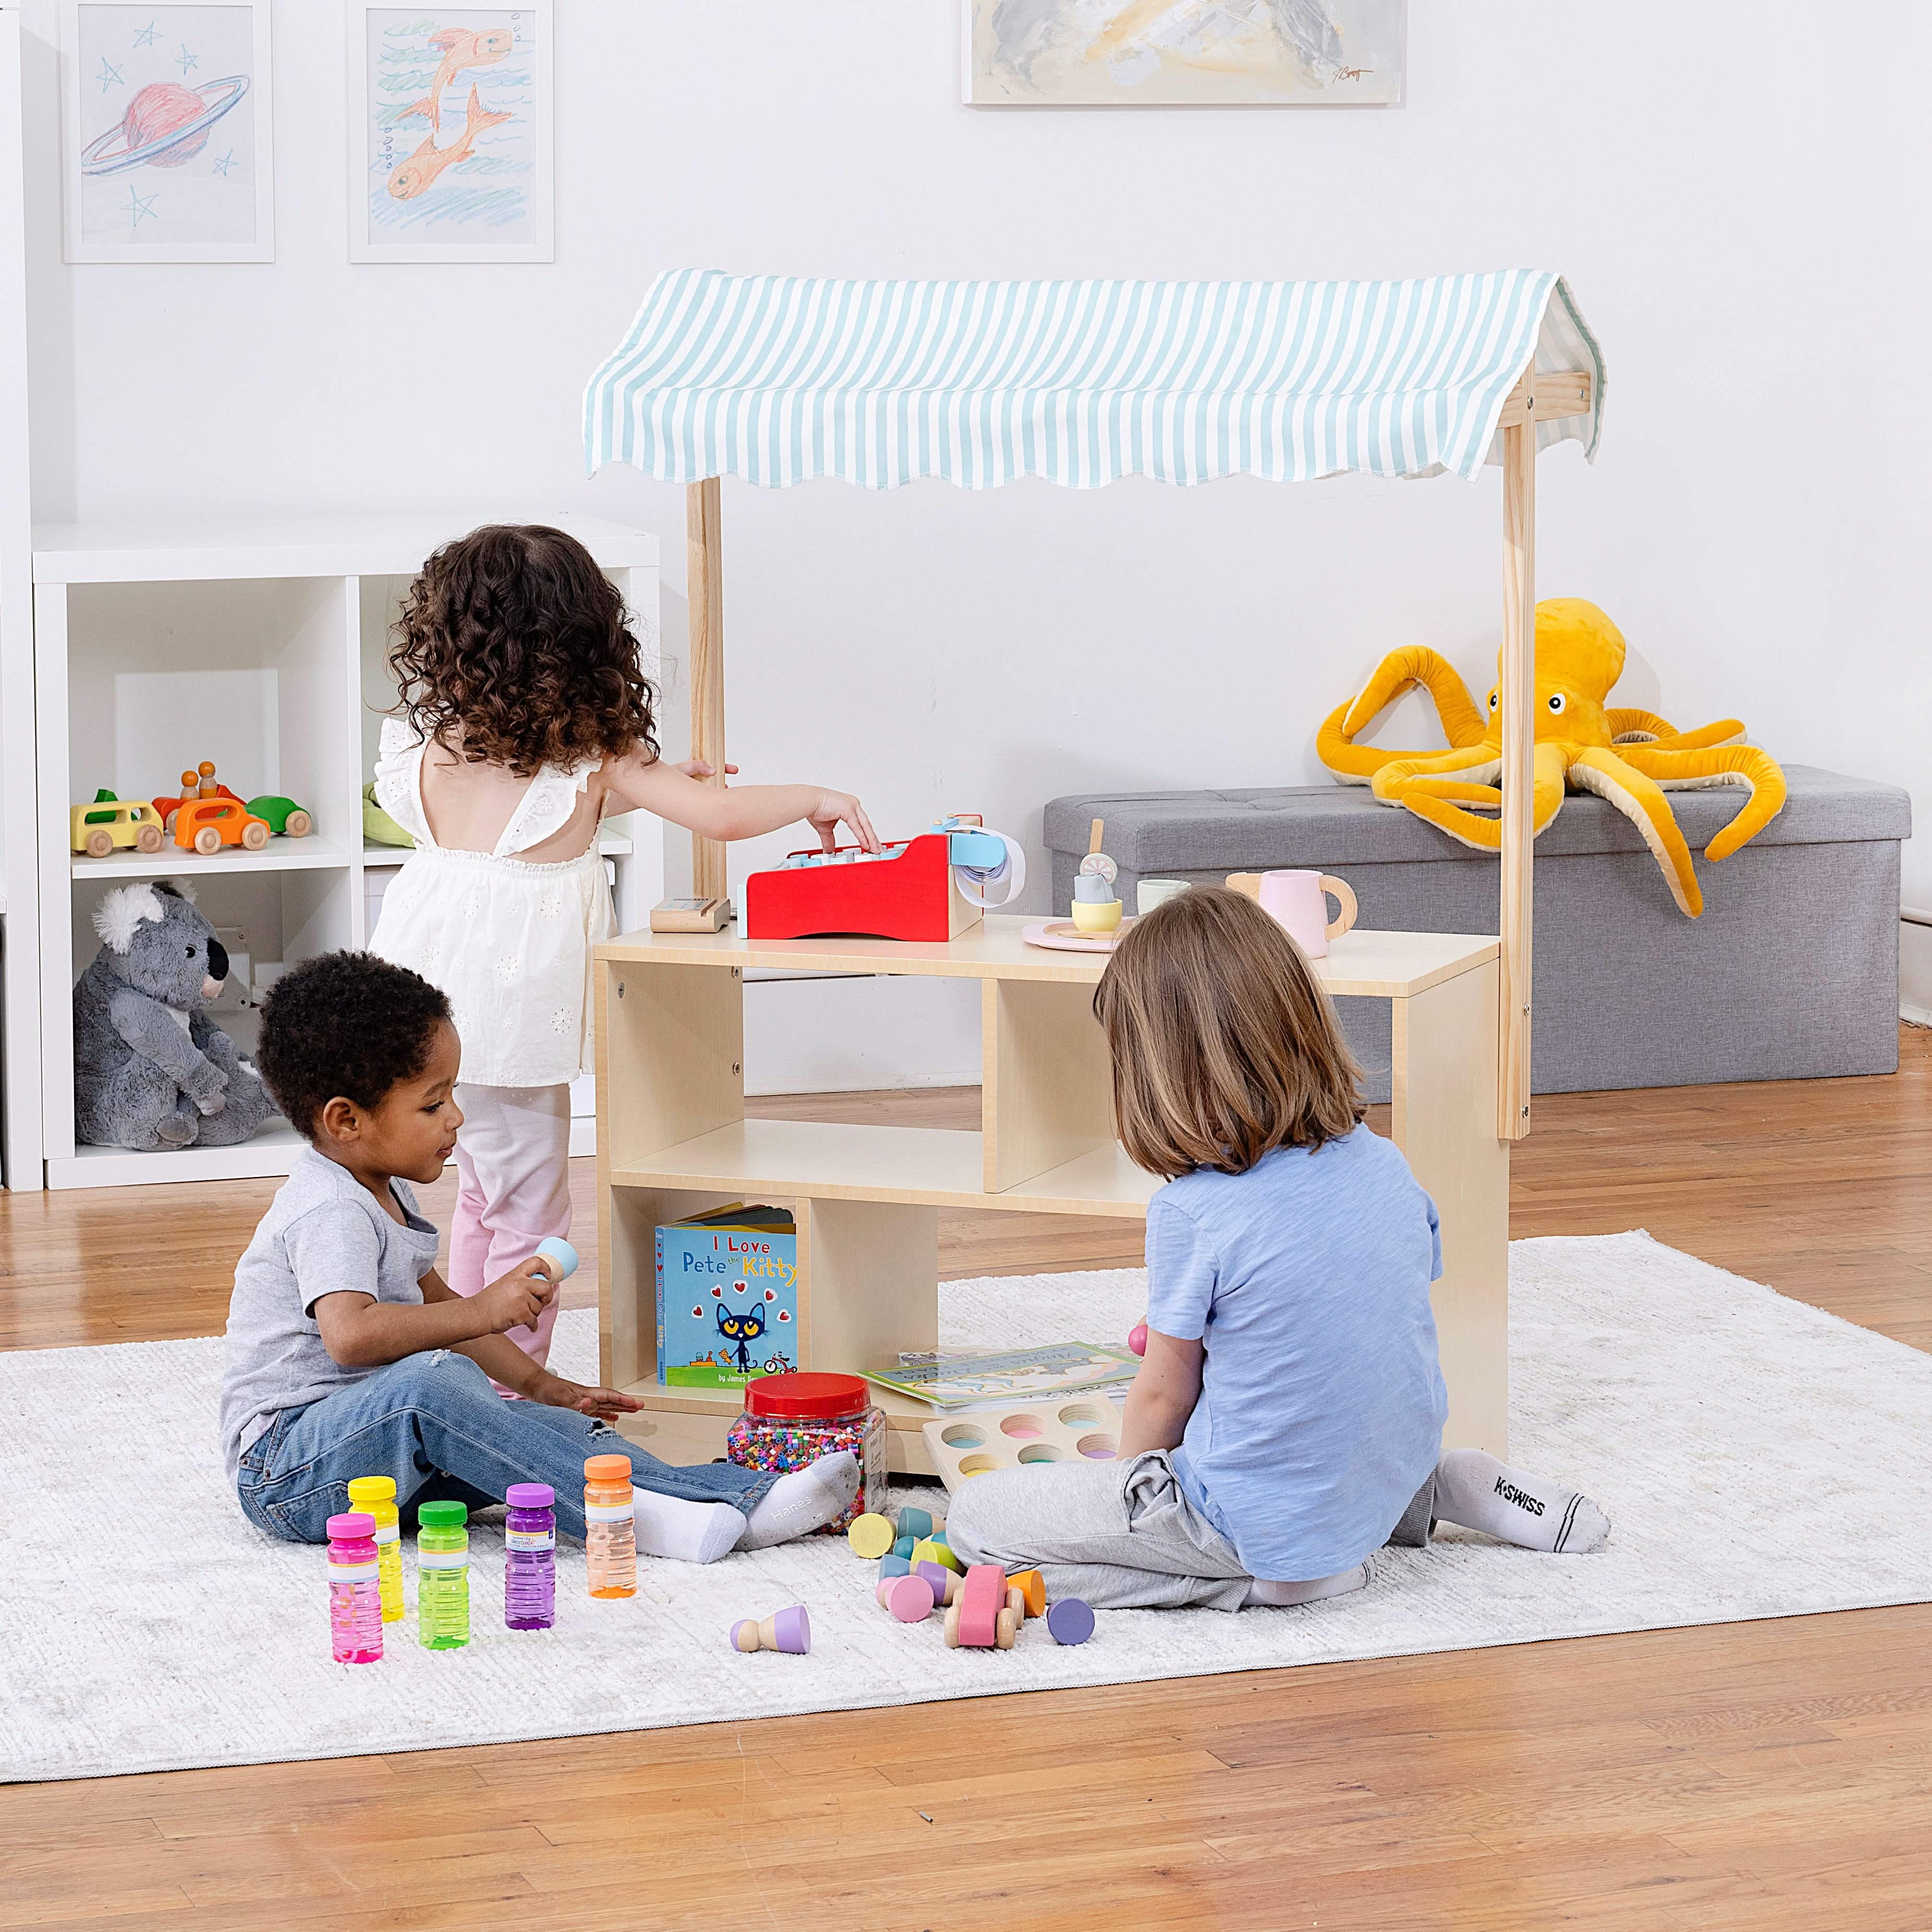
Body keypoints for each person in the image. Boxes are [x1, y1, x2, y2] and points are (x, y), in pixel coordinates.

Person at [946, 888, 1609, 1611]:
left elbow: (1166, 1392)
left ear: (1157, 1070)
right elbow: (1370, 1317)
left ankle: (1271, 1577)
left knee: (978, 1525)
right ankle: (1433, 1488)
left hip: (1255, 1523)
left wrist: (1128, 1489)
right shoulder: (1383, 1160)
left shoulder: (1191, 1210)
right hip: (1385, 1462)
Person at [369, 523, 878, 1371]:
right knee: (530, 1213)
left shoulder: (434, 747)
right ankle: (511, 1383)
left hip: (417, 1000)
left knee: (482, 1197)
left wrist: (653, 778)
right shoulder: (591, 755)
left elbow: (529, 826)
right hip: (507, 1013)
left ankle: (458, 1363)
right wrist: (813, 795)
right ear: (578, 638)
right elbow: (716, 817)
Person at [219, 950, 857, 1557]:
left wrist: (541, 1385)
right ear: (346, 1120)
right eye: (433, 1104)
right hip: (288, 1470)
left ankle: (735, 1502)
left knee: (543, 1427)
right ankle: (645, 1519)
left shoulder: (383, 1191)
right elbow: (351, 1336)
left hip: (374, 1464)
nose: (457, 1119)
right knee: (431, 1383)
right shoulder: (330, 1209)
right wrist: (488, 1310)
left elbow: (438, 1302)